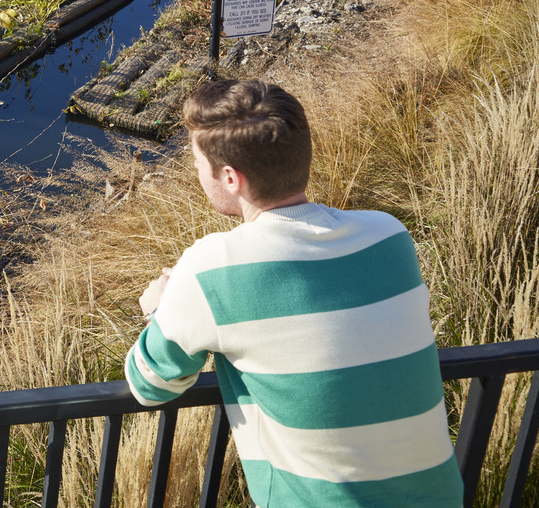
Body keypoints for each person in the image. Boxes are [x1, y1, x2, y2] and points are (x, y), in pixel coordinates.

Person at [126, 80, 461, 508]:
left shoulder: (212, 266)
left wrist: (158, 308)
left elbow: (151, 385)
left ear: (230, 177)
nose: (195, 172)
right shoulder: (389, 234)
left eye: (196, 162)